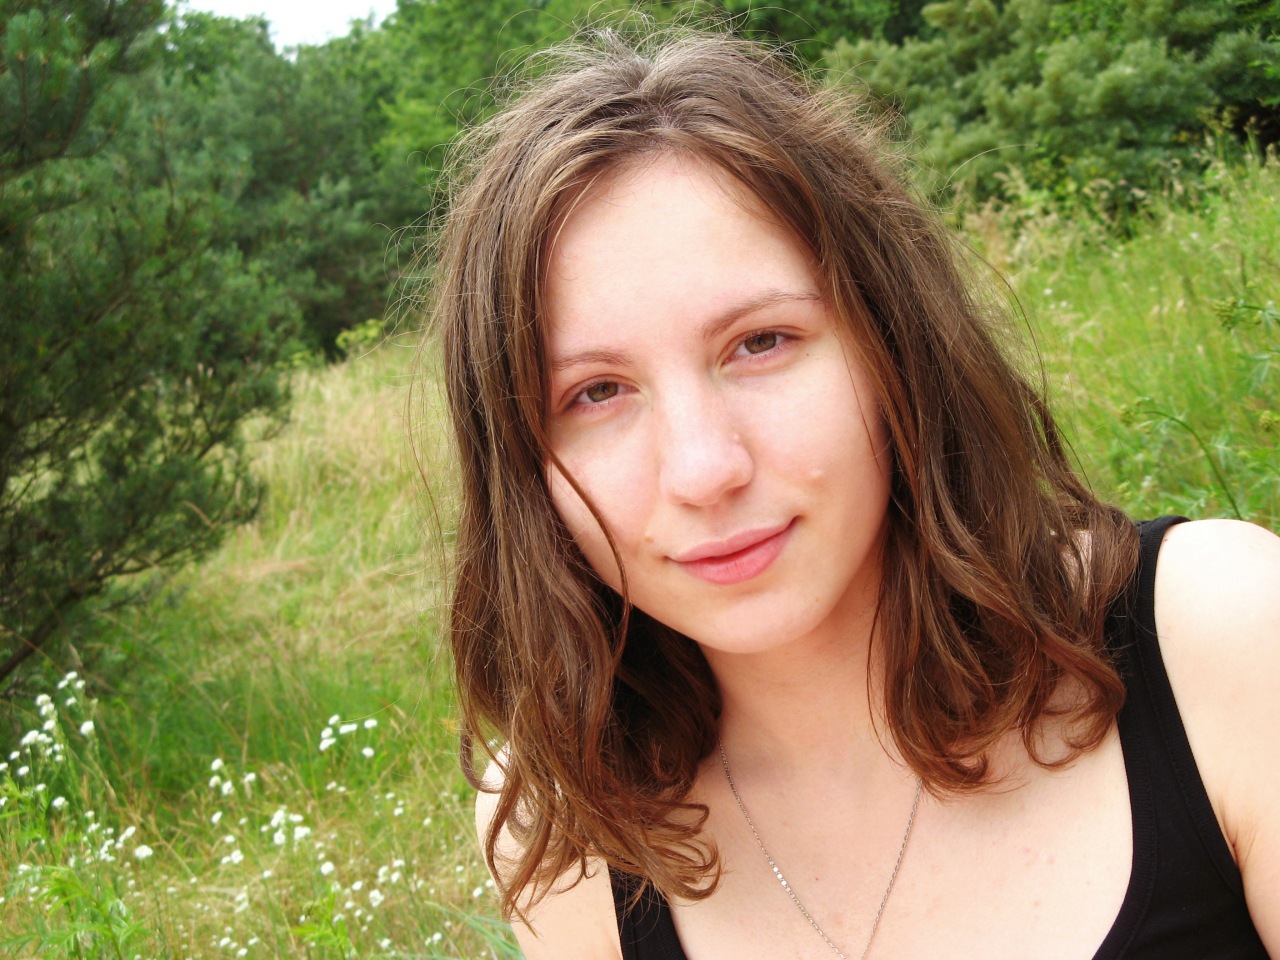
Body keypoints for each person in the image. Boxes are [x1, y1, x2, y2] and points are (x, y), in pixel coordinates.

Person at [429, 28, 1280, 960]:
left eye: (761, 342)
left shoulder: (1220, 638)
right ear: (520, 466)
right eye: (596, 393)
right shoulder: (564, 827)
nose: (705, 470)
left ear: (894, 344)